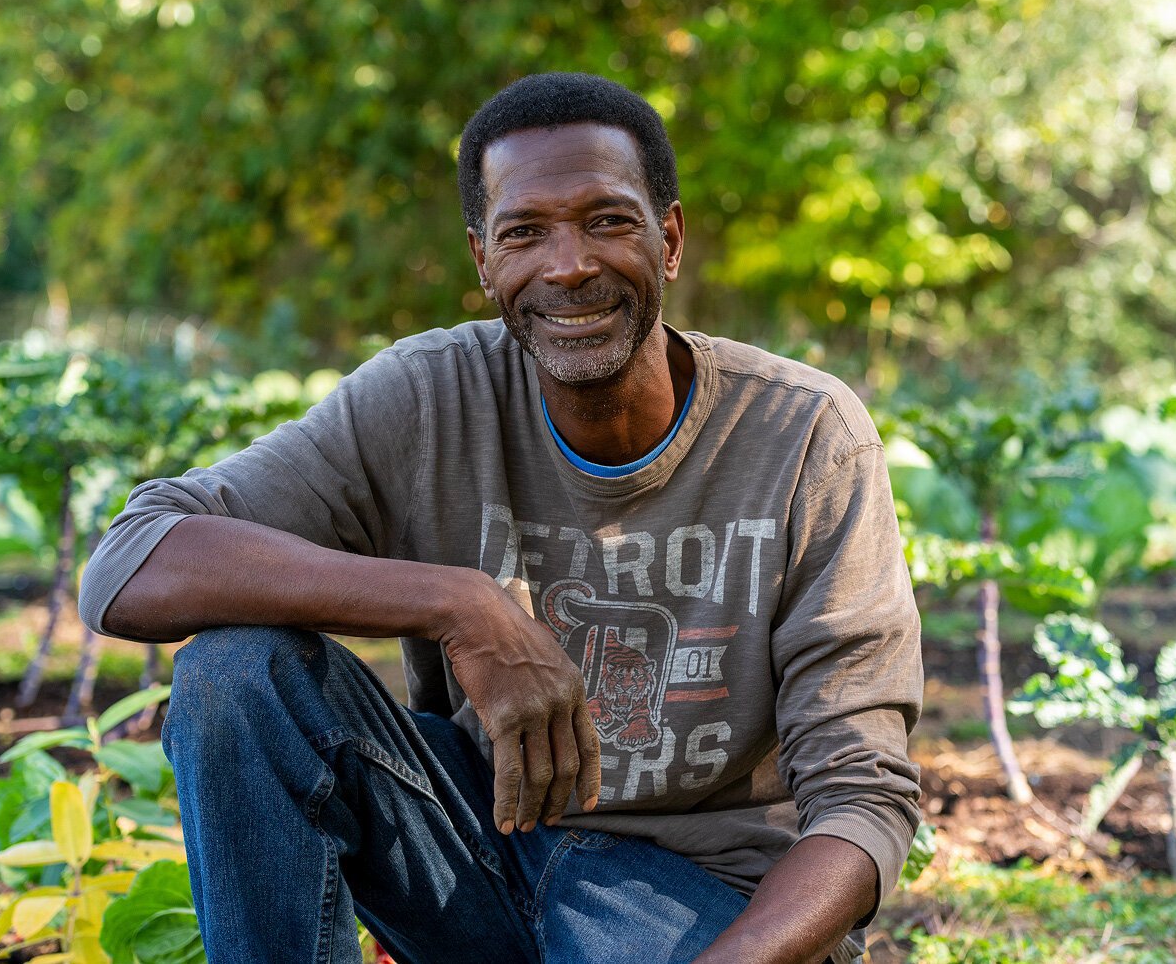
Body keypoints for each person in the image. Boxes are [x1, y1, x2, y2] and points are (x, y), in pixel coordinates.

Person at [78, 72, 923, 964]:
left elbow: (863, 800)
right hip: (477, 851)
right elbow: (131, 564)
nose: (569, 265)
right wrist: (456, 601)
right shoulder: (426, 397)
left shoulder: (804, 437)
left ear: (669, 240)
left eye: (608, 220)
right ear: (484, 262)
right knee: (235, 675)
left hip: (697, 901)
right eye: (526, 232)